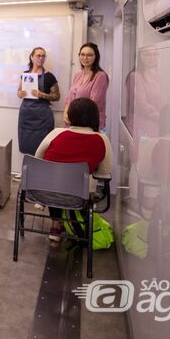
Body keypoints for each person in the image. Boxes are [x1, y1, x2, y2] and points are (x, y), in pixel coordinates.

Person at [35, 98, 112, 241]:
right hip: (79, 196)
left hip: (47, 193)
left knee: (56, 181)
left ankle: (56, 225)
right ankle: (76, 225)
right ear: (95, 117)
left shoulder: (56, 133)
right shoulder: (102, 139)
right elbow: (104, 172)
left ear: (70, 116)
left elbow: (37, 158)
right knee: (83, 182)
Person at [16, 47, 60, 155]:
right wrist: (20, 93)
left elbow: (57, 96)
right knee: (27, 148)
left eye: (43, 56)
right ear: (31, 57)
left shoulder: (49, 76)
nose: (41, 58)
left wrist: (41, 94)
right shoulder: (25, 74)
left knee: (43, 149)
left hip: (42, 119)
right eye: (38, 55)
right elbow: (19, 91)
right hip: (26, 116)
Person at [64, 42, 109, 130]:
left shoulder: (100, 76)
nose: (85, 58)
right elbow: (69, 99)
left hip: (88, 124)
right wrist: (66, 113)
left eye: (89, 55)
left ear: (96, 57)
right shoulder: (77, 75)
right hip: (72, 123)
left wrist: (74, 117)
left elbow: (94, 104)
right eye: (82, 54)